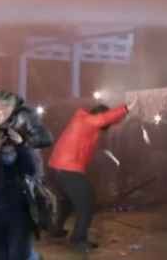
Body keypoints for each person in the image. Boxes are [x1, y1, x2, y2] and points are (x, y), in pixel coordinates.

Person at [47, 100, 133, 252]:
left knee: (67, 202)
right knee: (87, 202)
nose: (107, 128)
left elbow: (107, 121)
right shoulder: (84, 120)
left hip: (57, 168)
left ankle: (56, 230)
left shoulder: (88, 125)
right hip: (67, 168)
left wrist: (121, 116)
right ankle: (78, 239)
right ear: (99, 115)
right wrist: (125, 109)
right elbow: (103, 119)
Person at [0, 92, 40, 260]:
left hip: (18, 207)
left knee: (20, 254)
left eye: (4, 110)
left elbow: (31, 170)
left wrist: (20, 145)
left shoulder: (21, 136)